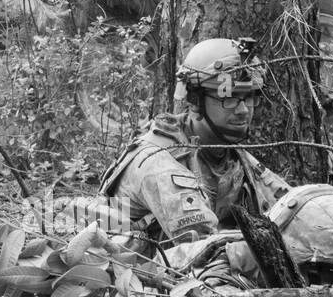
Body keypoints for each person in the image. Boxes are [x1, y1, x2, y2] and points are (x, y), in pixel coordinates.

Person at [99, 37, 292, 251]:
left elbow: (290, 204)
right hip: (135, 275)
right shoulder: (158, 162)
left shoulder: (230, 155)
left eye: (249, 97)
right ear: (195, 100)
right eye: (228, 98)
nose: (243, 110)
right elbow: (204, 249)